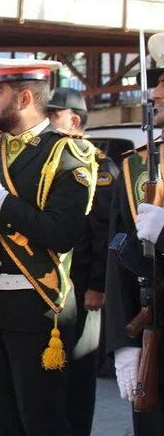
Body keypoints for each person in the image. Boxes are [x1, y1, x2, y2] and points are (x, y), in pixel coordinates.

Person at [0, 56, 98, 436]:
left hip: (39, 306)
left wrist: (2, 201)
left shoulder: (67, 154)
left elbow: (63, 233)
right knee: (4, 418)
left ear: (26, 97)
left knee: (41, 419)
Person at [46, 87, 116, 436]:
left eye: (54, 116)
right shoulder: (51, 160)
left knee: (79, 372)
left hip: (84, 284)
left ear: (74, 121)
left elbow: (102, 233)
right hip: (56, 284)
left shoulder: (97, 165)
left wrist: (96, 285)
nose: (48, 122)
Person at [106, 31, 164, 436]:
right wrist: (122, 342)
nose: (156, 91)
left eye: (163, 82)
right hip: (150, 332)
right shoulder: (137, 166)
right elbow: (118, 253)